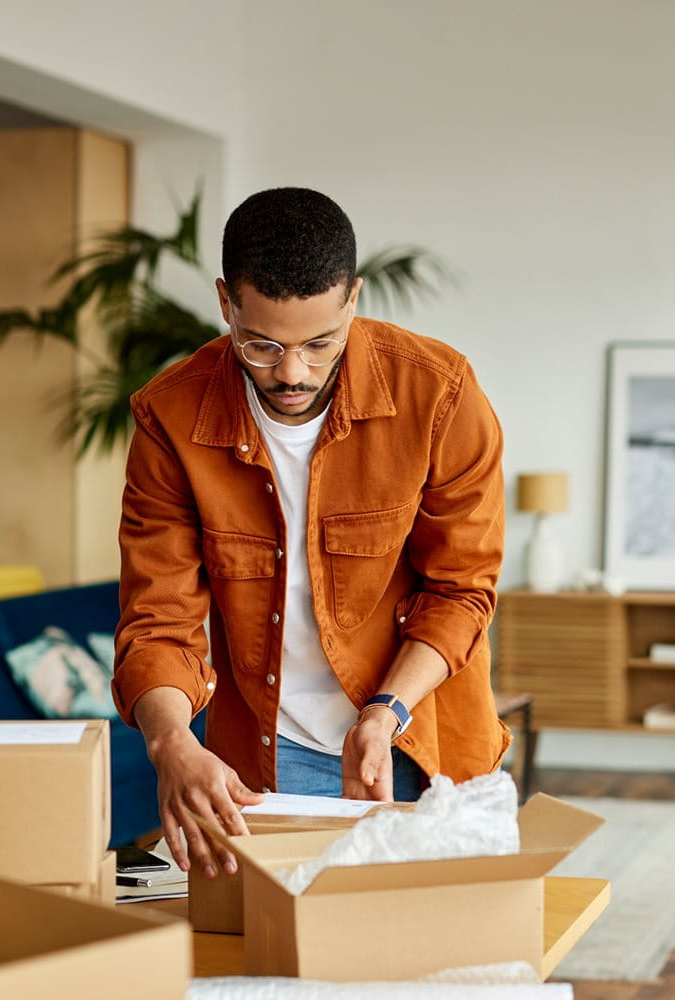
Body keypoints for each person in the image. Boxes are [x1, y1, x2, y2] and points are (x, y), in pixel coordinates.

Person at [112, 187, 508, 879]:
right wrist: (171, 742)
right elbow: (158, 621)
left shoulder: (438, 394)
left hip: (422, 734)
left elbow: (462, 588)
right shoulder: (169, 419)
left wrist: (384, 714)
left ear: (352, 299)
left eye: (319, 344)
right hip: (264, 756)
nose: (291, 372)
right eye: (261, 344)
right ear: (225, 303)